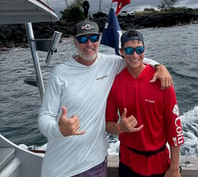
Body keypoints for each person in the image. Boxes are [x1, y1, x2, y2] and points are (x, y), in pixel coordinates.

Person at [38, 20, 173, 177]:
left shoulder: (111, 63)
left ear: (99, 39)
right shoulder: (60, 73)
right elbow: (44, 117)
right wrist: (58, 129)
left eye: (93, 38)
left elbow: (136, 59)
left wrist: (160, 68)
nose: (89, 44)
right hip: (62, 168)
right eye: (83, 39)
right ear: (75, 42)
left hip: (96, 163)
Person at [106, 30, 184, 177]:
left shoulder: (162, 81)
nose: (135, 55)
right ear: (121, 52)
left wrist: (174, 167)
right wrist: (119, 128)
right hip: (128, 163)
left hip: (159, 162)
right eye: (129, 50)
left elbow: (174, 126)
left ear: (144, 50)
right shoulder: (115, 83)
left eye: (139, 50)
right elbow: (108, 124)